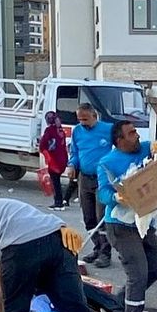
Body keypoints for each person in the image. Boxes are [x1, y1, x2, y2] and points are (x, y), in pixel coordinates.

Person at [97, 121, 157, 312]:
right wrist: (117, 198)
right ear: (119, 140)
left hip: (144, 223)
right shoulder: (107, 162)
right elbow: (103, 193)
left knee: (155, 267)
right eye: (132, 133)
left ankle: (117, 304)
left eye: (136, 132)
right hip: (120, 226)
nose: (138, 136)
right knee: (138, 274)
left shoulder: (145, 149)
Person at [65, 103, 113, 268]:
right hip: (84, 178)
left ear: (95, 116)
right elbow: (75, 152)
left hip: (102, 179)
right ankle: (97, 247)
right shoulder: (77, 131)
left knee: (102, 218)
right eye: (80, 119)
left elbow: (122, 147)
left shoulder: (108, 129)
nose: (82, 122)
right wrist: (72, 165)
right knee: (88, 218)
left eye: (85, 119)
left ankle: (106, 253)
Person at [40, 111, 68, 210]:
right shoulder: (60, 130)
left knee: (55, 182)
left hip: (54, 160)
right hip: (62, 159)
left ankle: (58, 202)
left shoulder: (49, 130)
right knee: (57, 181)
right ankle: (63, 200)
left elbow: (43, 145)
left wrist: (47, 157)